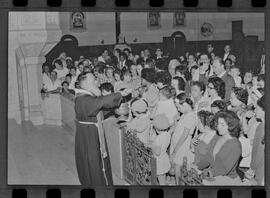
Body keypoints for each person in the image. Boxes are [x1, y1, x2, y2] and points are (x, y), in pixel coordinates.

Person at [74, 71, 130, 185]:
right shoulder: (82, 99)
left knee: (98, 161)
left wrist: (113, 110)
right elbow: (99, 103)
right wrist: (119, 94)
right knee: (94, 163)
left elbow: (97, 111)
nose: (97, 82)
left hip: (91, 132)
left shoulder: (87, 97)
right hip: (89, 136)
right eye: (93, 80)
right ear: (84, 83)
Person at [199, 110, 242, 185]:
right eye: (218, 123)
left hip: (228, 179)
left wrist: (207, 173)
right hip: (213, 176)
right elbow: (208, 157)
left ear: (231, 126)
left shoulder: (235, 144)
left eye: (222, 124)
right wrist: (198, 166)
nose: (218, 126)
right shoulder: (216, 138)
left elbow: (224, 169)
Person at [170, 93, 196, 184]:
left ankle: (179, 186)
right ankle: (177, 184)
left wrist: (176, 150)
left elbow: (184, 134)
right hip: (177, 143)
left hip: (182, 145)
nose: (178, 109)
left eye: (178, 107)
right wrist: (175, 120)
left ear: (185, 105)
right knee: (176, 168)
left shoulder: (190, 116)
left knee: (178, 169)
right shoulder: (185, 114)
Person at [246, 96, 265, 185]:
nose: (254, 111)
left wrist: (252, 168)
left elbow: (258, 152)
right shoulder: (260, 126)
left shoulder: (262, 127)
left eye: (257, 109)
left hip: (261, 169)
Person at [149, 114, 171, 185]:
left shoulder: (158, 138)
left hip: (158, 160)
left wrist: (151, 147)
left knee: (160, 179)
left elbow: (157, 152)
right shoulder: (168, 134)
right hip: (164, 157)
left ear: (156, 128)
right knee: (163, 177)